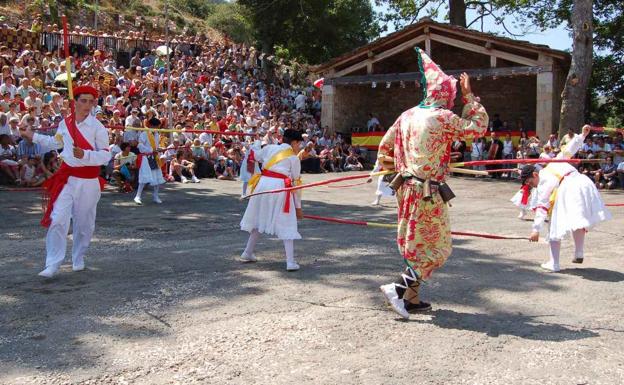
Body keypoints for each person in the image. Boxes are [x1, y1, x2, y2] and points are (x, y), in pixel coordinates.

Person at [377, 48, 488, 319]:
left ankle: (411, 299)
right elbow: (478, 127)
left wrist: (399, 176)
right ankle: (398, 288)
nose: (452, 101)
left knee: (415, 244)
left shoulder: (407, 115)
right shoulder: (442, 117)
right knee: (436, 246)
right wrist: (470, 97)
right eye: (452, 95)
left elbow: (385, 148)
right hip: (427, 191)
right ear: (446, 94)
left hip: (407, 189)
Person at [19, 85, 111, 278]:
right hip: (67, 178)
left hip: (89, 181)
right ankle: (52, 263)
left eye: (90, 101)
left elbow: (105, 156)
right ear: (74, 102)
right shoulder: (65, 123)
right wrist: (32, 136)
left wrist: (85, 154)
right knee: (58, 219)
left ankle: (78, 256)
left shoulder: (98, 127)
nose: (87, 105)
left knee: (84, 224)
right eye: (83, 100)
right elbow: (56, 143)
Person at [523, 124, 611, 272]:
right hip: (584, 184)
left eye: (531, 183)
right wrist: (582, 135)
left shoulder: (544, 179)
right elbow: (569, 149)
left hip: (570, 188)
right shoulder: (556, 160)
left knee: (554, 223)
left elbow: (542, 207)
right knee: (578, 220)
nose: (533, 186)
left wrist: (536, 230)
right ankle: (579, 252)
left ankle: (554, 263)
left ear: (535, 175)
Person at [240, 129, 304, 271]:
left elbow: (254, 155)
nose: (299, 147)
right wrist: (298, 207)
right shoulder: (293, 158)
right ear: (294, 143)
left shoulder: (269, 148)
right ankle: (290, 262)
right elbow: (296, 184)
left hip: (262, 185)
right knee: (287, 221)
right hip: (280, 188)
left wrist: (256, 142)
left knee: (258, 218)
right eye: (299, 144)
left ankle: (247, 252)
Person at [134, 117, 166, 205]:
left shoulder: (156, 134)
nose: (157, 128)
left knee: (157, 178)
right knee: (144, 178)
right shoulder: (144, 134)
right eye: (156, 126)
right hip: (146, 158)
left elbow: (156, 147)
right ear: (151, 125)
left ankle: (156, 196)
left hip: (155, 158)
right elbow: (140, 146)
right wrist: (151, 150)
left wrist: (160, 149)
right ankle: (138, 196)